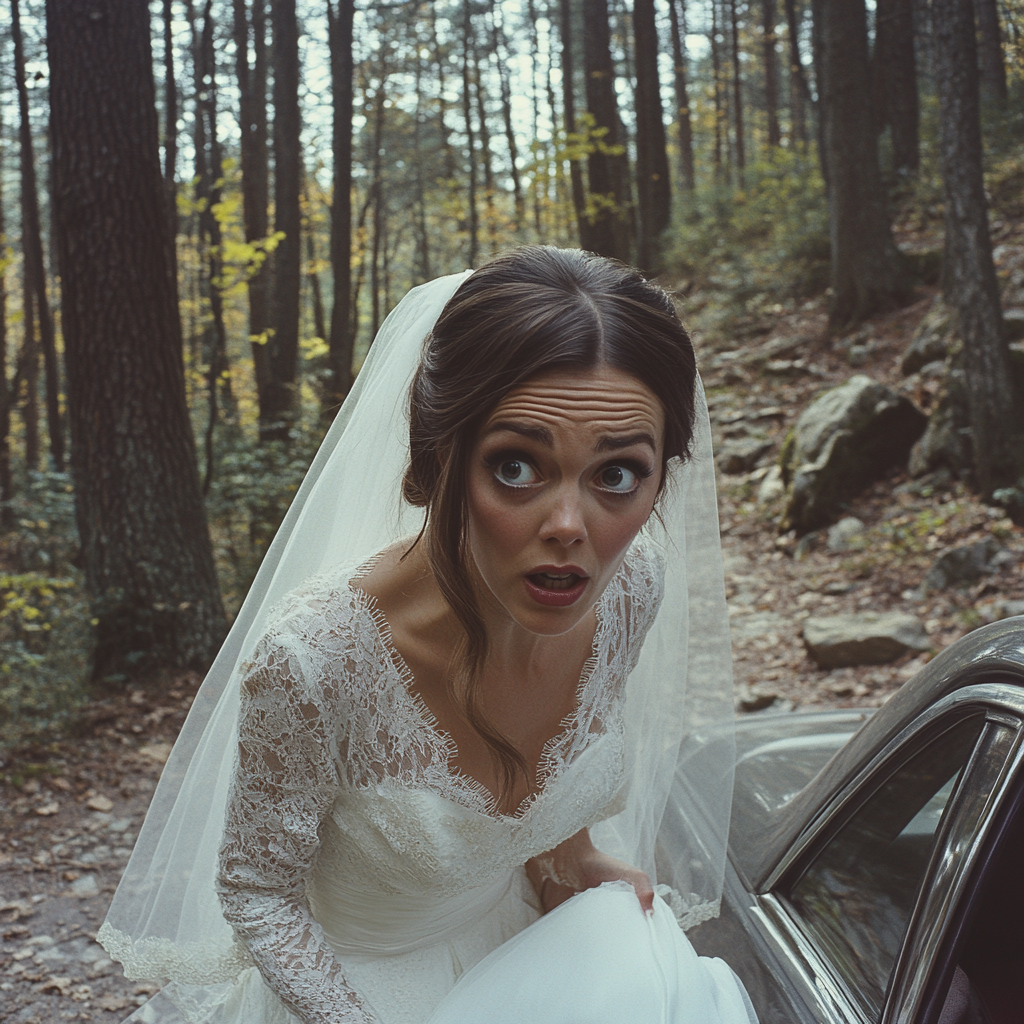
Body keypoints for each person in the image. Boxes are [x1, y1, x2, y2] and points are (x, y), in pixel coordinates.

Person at [98, 247, 753, 1024]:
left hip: (527, 962)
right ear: (437, 458)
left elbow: (554, 770)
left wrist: (569, 862)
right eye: (516, 467)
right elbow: (258, 892)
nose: (571, 528)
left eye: (617, 475)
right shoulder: (317, 659)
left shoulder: (629, 590)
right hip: (353, 990)